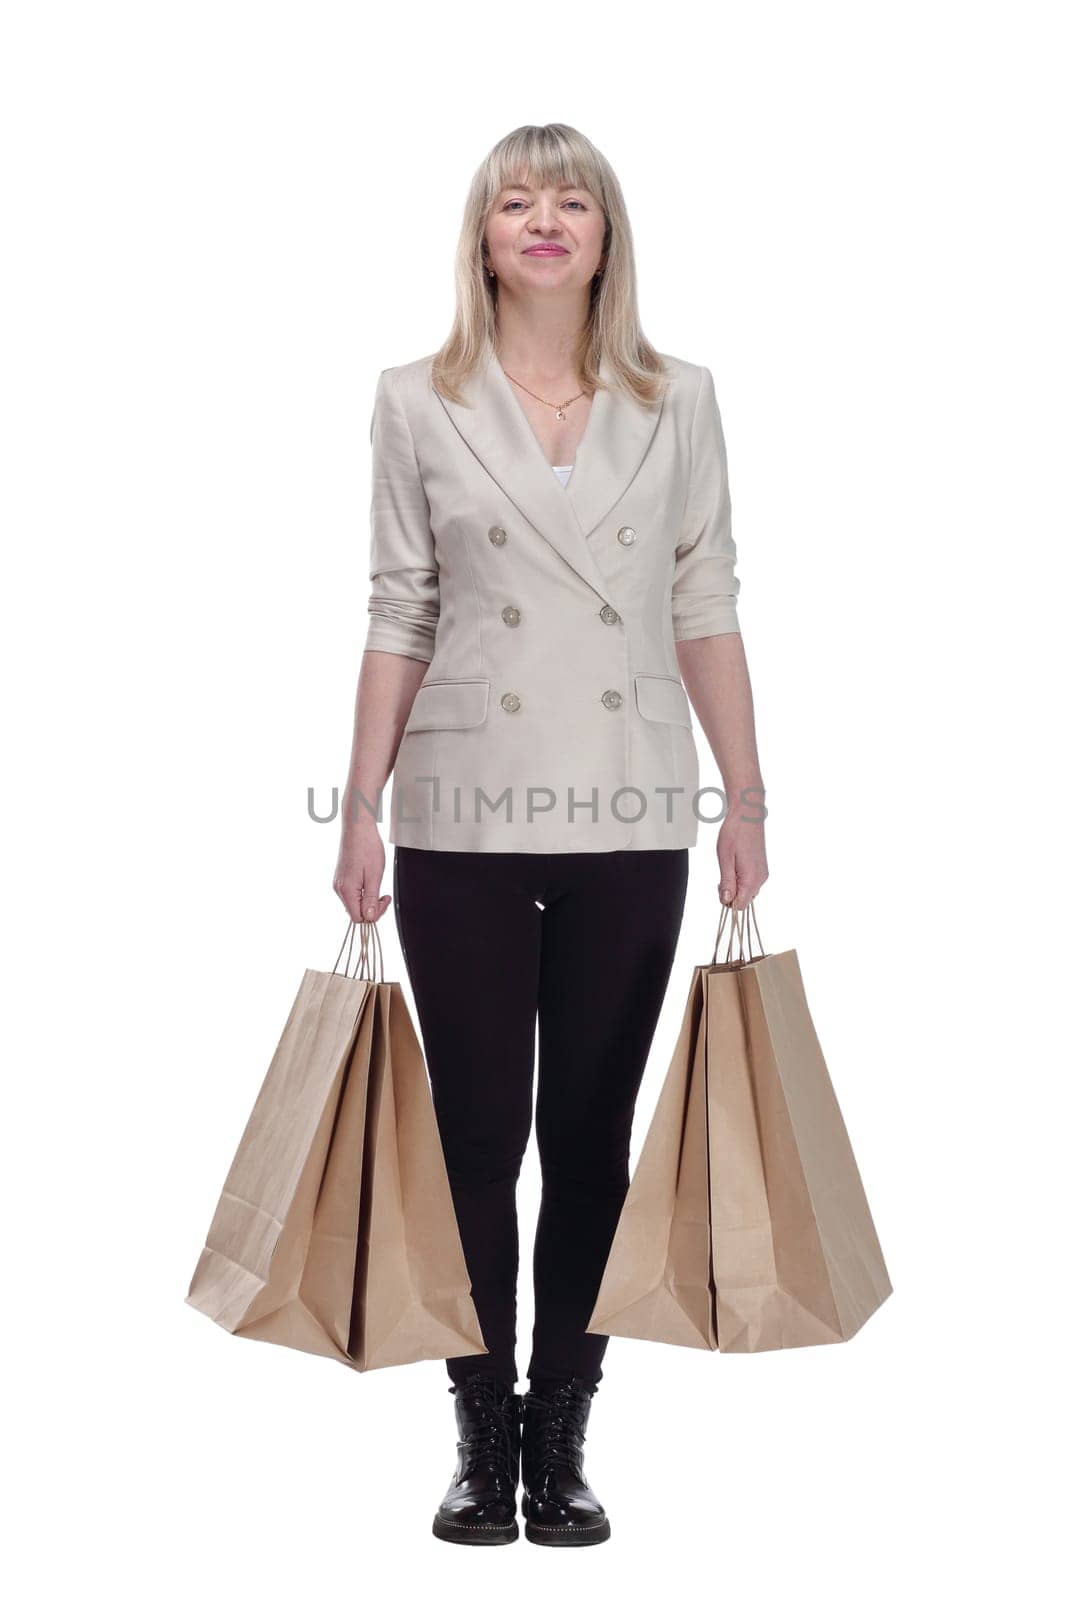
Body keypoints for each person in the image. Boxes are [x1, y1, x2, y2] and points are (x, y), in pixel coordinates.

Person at [333, 122, 768, 1548]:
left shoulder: (678, 398)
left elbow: (706, 599)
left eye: (569, 197)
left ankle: (564, 1437)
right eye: (514, 198)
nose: (542, 218)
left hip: (629, 804)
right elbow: (402, 608)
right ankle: (479, 1436)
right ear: (481, 235)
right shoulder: (419, 400)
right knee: (472, 1137)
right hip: (463, 809)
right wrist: (361, 810)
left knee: (586, 1137)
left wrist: (743, 799)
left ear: (605, 234)